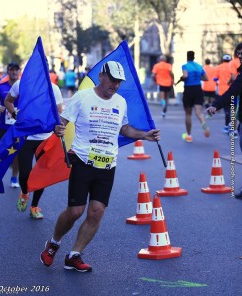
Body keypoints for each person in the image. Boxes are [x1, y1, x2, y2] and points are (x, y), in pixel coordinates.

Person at [40, 61, 160, 272]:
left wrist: (144, 135)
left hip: (107, 164)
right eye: (112, 80)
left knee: (96, 212)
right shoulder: (82, 97)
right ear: (102, 76)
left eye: (119, 82)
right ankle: (54, 243)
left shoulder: (121, 102)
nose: (115, 85)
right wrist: (58, 128)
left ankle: (74, 254)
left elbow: (124, 128)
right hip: (83, 161)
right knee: (75, 211)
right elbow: (62, 121)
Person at [4, 76, 63, 219]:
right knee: (25, 174)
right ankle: (24, 192)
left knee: (41, 175)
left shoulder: (53, 88)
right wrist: (14, 113)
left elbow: (59, 111)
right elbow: (7, 101)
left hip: (45, 138)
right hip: (26, 138)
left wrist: (54, 123)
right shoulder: (20, 85)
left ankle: (34, 206)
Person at [207, 43, 242, 199]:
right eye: (238, 53)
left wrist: (216, 105)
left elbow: (233, 89)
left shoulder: (230, 68)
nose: (239, 55)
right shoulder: (237, 69)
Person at [0, 62, 21, 188]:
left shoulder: (24, 87)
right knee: (5, 152)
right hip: (4, 125)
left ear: (19, 71)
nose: (14, 72)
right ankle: (9, 163)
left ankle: (14, 177)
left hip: (19, 126)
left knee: (17, 153)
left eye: (16, 70)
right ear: (8, 71)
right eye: (11, 70)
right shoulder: (1, 86)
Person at [180, 51, 210, 142]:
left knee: (188, 114)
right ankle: (205, 126)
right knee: (198, 112)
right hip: (198, 90)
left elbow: (185, 75)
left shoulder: (185, 66)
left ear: (187, 57)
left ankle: (189, 136)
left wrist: (182, 78)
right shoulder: (199, 66)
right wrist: (197, 78)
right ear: (194, 57)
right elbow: (206, 78)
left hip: (189, 90)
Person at [214, 54, 232, 134]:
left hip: (222, 91)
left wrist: (218, 81)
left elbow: (215, 78)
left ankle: (226, 126)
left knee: (227, 110)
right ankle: (232, 128)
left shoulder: (219, 67)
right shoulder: (233, 66)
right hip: (233, 90)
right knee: (233, 109)